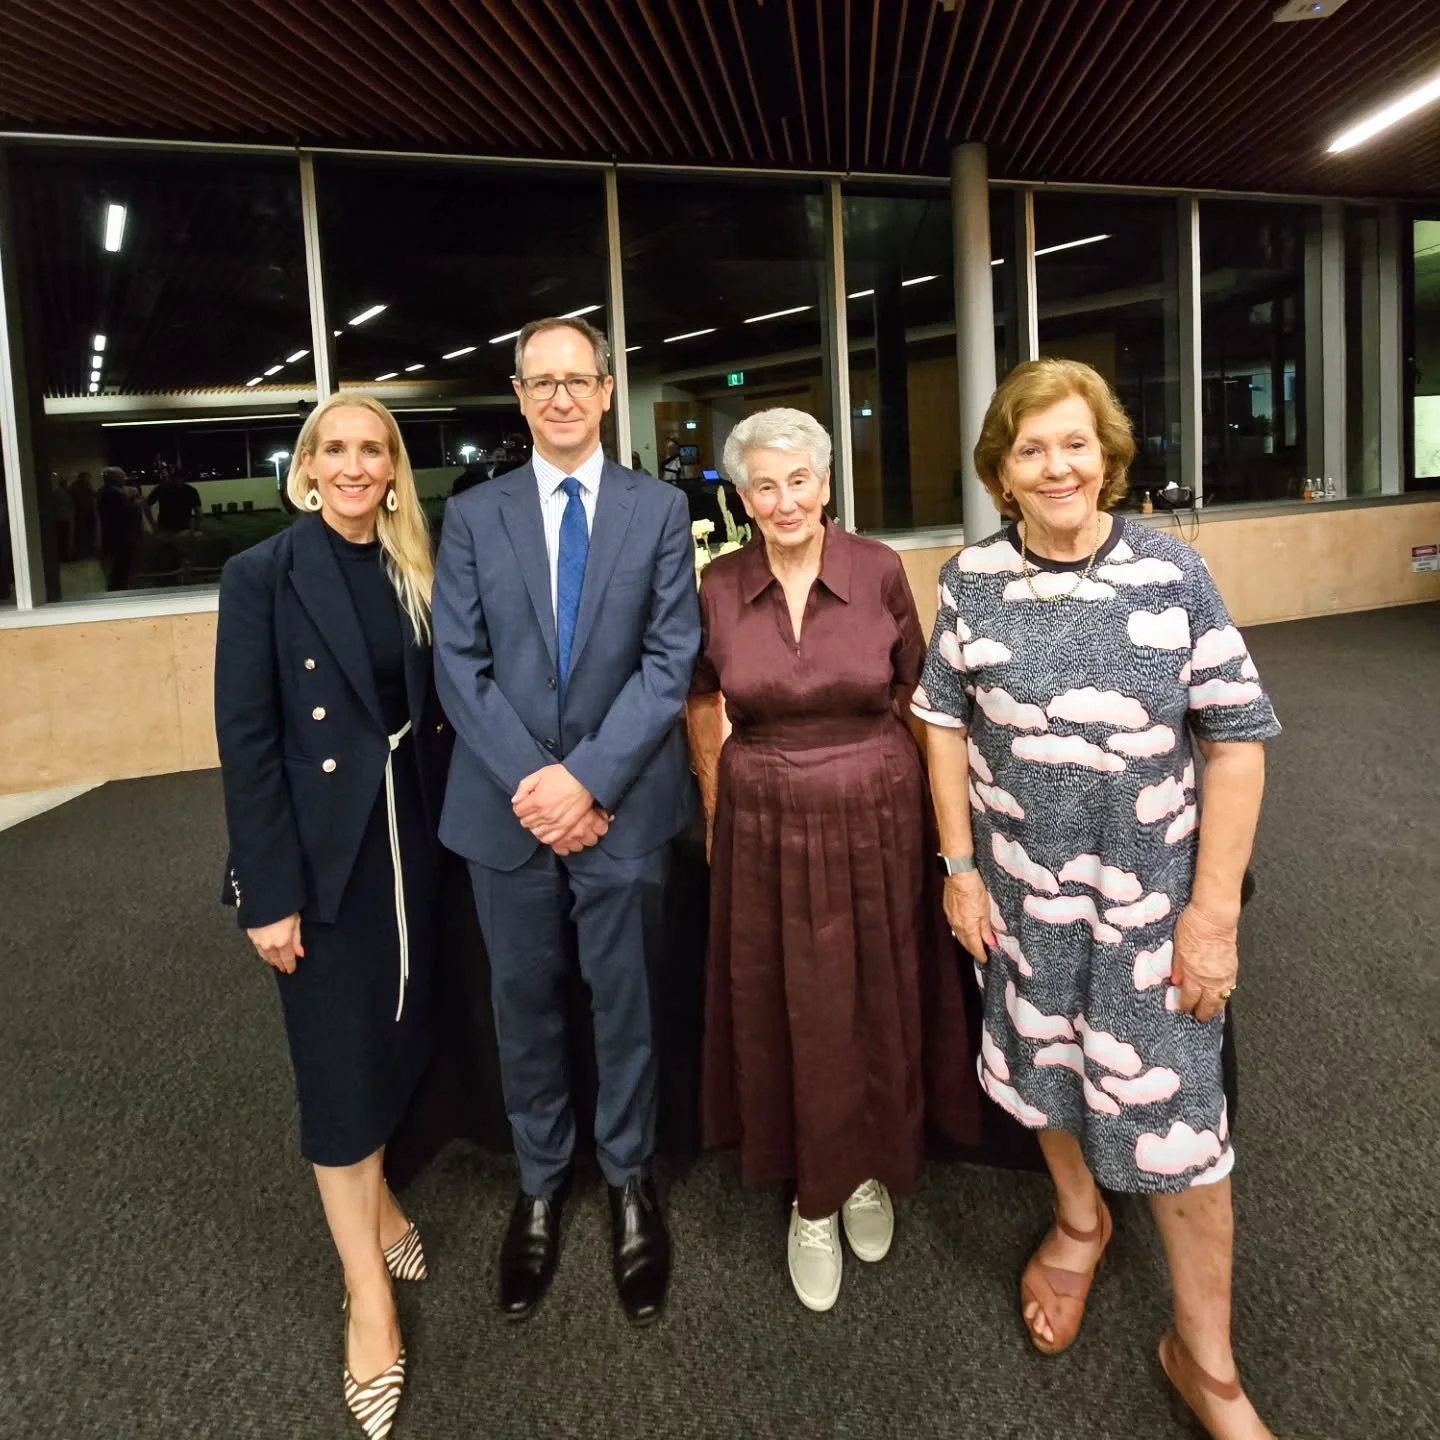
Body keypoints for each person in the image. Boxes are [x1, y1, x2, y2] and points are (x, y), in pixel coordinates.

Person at [913, 358, 1279, 1439]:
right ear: (1003, 473)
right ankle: (1079, 1221)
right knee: (1045, 1070)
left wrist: (1212, 920)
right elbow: (938, 718)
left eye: (1075, 444)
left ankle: (1203, 1356)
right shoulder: (971, 581)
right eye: (1032, 450)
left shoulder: (1172, 574)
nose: (1056, 465)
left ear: (1108, 457)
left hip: (1149, 913)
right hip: (1020, 899)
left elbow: (1241, 741)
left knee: (1182, 1135)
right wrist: (959, 867)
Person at [433, 315, 699, 1327]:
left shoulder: (659, 509)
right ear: (517, 393)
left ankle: (630, 1180)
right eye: (538, 382)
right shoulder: (475, 515)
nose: (557, 397)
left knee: (626, 1004)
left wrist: (586, 783)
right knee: (525, 1005)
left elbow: (670, 661)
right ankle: (540, 1184)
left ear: (604, 388)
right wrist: (541, 787)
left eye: (574, 379)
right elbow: (460, 667)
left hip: (622, 809)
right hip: (507, 814)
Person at [685, 407, 978, 1312]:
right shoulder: (719, 584)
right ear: (742, 497)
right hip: (764, 811)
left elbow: (920, 696)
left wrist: (942, 833)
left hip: (875, 809)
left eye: (798, 481)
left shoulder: (880, 568)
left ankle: (866, 1169)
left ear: (826, 484)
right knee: (789, 996)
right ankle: (811, 1193)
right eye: (762, 486)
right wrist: (714, 807)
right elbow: (702, 702)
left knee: (872, 986)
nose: (783, 500)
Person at [214, 394, 449, 1440]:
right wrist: (268, 895)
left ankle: (386, 1204)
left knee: (400, 1041)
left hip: (417, 839)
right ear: (304, 466)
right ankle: (367, 1296)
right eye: (334, 450)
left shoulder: (416, 570)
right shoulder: (262, 576)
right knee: (337, 1070)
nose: (354, 466)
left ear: (396, 468)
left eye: (374, 450)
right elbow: (249, 743)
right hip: (321, 859)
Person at [96, 466, 143, 590]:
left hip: (117, 538)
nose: (125, 479)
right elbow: (122, 513)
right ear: (114, 478)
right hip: (120, 538)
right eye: (122, 477)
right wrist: (135, 503)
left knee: (120, 569)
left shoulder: (106, 492)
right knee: (120, 569)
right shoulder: (111, 494)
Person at [145, 468, 203, 532]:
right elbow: (198, 511)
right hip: (182, 529)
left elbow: (146, 505)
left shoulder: (161, 489)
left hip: (164, 529)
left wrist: (153, 524)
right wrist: (197, 529)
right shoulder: (191, 490)